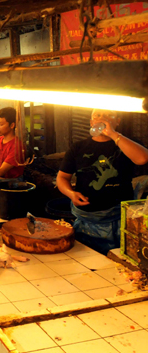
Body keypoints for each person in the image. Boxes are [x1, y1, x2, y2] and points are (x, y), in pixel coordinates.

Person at [57, 109, 148, 255]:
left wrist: (112, 134)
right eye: (97, 115)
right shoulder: (79, 147)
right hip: (86, 218)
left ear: (117, 121)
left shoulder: (127, 143)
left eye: (108, 115)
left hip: (119, 218)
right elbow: (62, 178)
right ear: (91, 122)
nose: (102, 118)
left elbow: (143, 158)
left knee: (117, 262)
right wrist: (71, 194)